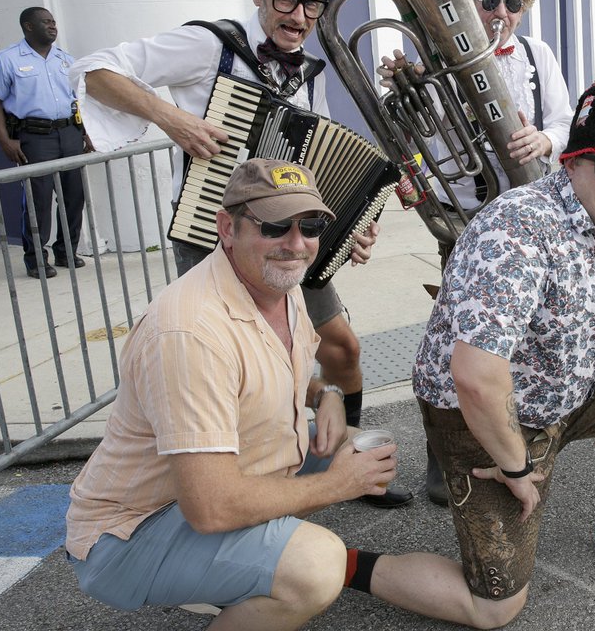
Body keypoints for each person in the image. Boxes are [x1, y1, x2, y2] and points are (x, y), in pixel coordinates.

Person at [352, 74, 595, 629]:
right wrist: (516, 465)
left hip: (570, 387)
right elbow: (477, 378)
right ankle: (333, 562)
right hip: (480, 416)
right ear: (570, 163)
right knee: (493, 607)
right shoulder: (520, 225)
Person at [70, 0, 411, 508]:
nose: (299, 17)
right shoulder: (210, 47)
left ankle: (341, 458)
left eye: (311, 6)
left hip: (287, 237)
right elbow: (96, 69)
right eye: (286, 1)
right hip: (215, 236)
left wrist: (349, 224)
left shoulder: (308, 71)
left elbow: (314, 164)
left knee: (342, 349)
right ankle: (237, 490)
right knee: (242, 367)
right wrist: (172, 117)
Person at [65, 158, 396, 627]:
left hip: (203, 490)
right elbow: (211, 506)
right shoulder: (190, 332)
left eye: (311, 225)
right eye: (276, 226)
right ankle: (240, 571)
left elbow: (273, 370)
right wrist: (338, 485)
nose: (296, 244)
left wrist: (327, 397)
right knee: (318, 565)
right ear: (227, 227)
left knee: (362, 444)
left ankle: (236, 570)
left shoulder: (279, 284)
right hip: (130, 533)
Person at [378, 0, 572, 505]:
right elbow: (430, 134)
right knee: (453, 347)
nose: (500, 14)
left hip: (530, 218)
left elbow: (562, 120)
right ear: (467, 2)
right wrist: (409, 91)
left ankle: (509, 444)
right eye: (488, 2)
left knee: (525, 343)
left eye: (513, 3)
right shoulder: (434, 60)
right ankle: (444, 457)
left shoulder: (537, 53)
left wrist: (546, 140)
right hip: (465, 222)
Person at [0, 7, 92, 278]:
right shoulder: (7, 59)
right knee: (38, 199)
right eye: (45, 22)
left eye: (53, 22)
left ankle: (66, 251)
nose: (52, 26)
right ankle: (37, 258)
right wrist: (5, 140)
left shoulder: (65, 60)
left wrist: (87, 132)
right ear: (28, 26)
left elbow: (79, 98)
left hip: (69, 133)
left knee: (74, 196)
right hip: (35, 137)